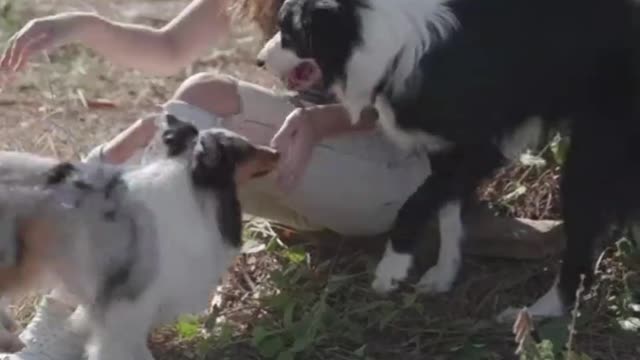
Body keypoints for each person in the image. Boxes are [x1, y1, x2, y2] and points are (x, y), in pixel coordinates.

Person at [0, 0, 528, 359]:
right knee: (196, 105)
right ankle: (72, 311)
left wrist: (323, 120)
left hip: (395, 178)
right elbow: (167, 48)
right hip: (307, 167)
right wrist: (79, 25)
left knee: (195, 121)